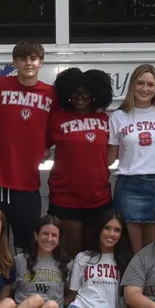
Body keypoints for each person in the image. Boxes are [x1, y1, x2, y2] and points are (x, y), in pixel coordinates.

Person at [0, 40, 56, 244]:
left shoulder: (51, 94)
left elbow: (56, 126)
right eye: (23, 59)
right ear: (15, 62)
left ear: (41, 63)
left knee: (27, 245)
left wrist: (45, 146)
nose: (28, 63)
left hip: (28, 183)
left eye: (33, 59)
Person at [40, 209, 132, 308]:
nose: (111, 234)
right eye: (107, 228)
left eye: (117, 230)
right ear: (99, 230)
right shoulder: (83, 257)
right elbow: (73, 294)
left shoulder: (124, 261)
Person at [46, 68, 115, 254]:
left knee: (95, 257)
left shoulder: (106, 120)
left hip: (100, 199)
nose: (79, 98)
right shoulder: (57, 119)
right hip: (65, 199)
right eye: (74, 93)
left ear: (95, 94)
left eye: (85, 93)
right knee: (70, 258)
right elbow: (38, 145)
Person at [111, 63, 155, 251]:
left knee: (154, 251)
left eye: (150, 85)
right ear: (132, 86)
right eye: (140, 83)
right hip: (129, 186)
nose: (145, 89)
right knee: (133, 252)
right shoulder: (118, 116)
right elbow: (109, 157)